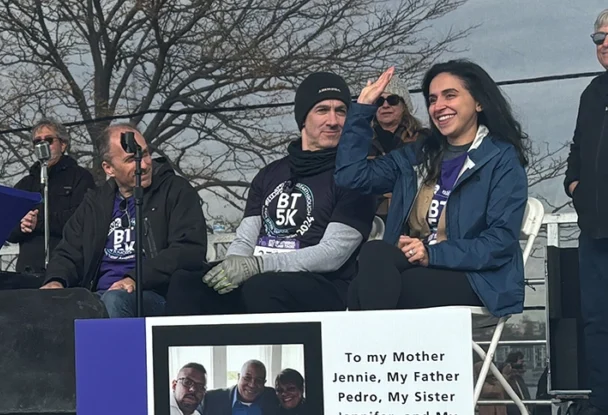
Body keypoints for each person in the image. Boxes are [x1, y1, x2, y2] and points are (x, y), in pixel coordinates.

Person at [164, 72, 374, 316]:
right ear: (303, 118)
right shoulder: (270, 174)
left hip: (322, 284)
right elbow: (245, 239)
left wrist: (258, 266)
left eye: (341, 111)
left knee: (262, 287)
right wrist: (233, 265)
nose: (333, 120)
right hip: (260, 274)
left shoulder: (356, 177)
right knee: (186, 284)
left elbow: (332, 255)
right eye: (322, 110)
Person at [336, 62, 529, 317]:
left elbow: (499, 242)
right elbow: (351, 176)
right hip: (416, 263)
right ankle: (383, 353)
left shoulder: (501, 158)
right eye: (432, 99)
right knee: (373, 254)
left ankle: (377, 354)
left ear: (479, 103)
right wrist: (361, 111)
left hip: (476, 277)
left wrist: (433, 254)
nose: (439, 106)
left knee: (380, 288)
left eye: (450, 95)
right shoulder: (419, 155)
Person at [39, 122, 207, 318]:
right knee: (52, 304)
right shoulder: (95, 202)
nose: (143, 165)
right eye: (131, 160)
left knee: (114, 300)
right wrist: (56, 280)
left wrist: (135, 279)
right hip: (96, 296)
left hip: (155, 295)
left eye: (144, 154)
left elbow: (189, 249)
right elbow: (69, 252)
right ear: (109, 168)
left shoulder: (175, 190)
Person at [565, 10, 608, 415]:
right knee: (597, 322)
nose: (605, 44)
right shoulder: (592, 93)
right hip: (595, 230)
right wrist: (575, 186)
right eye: (598, 39)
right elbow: (577, 150)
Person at [6, 118, 96, 275]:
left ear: (63, 144)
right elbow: (7, 228)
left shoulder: (80, 177)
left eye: (48, 140)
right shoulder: (25, 184)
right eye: (37, 141)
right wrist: (22, 225)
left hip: (68, 270)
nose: (43, 144)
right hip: (28, 272)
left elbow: (83, 219)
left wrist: (38, 222)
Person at [367, 77, 426, 219]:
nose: (385, 106)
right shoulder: (362, 142)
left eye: (392, 100)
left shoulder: (423, 140)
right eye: (379, 101)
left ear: (404, 105)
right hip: (370, 222)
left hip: (413, 219)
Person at [198, 360, 279, 415]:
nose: (252, 385)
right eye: (247, 378)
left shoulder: (273, 398)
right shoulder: (211, 399)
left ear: (264, 383)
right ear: (238, 377)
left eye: (258, 380)